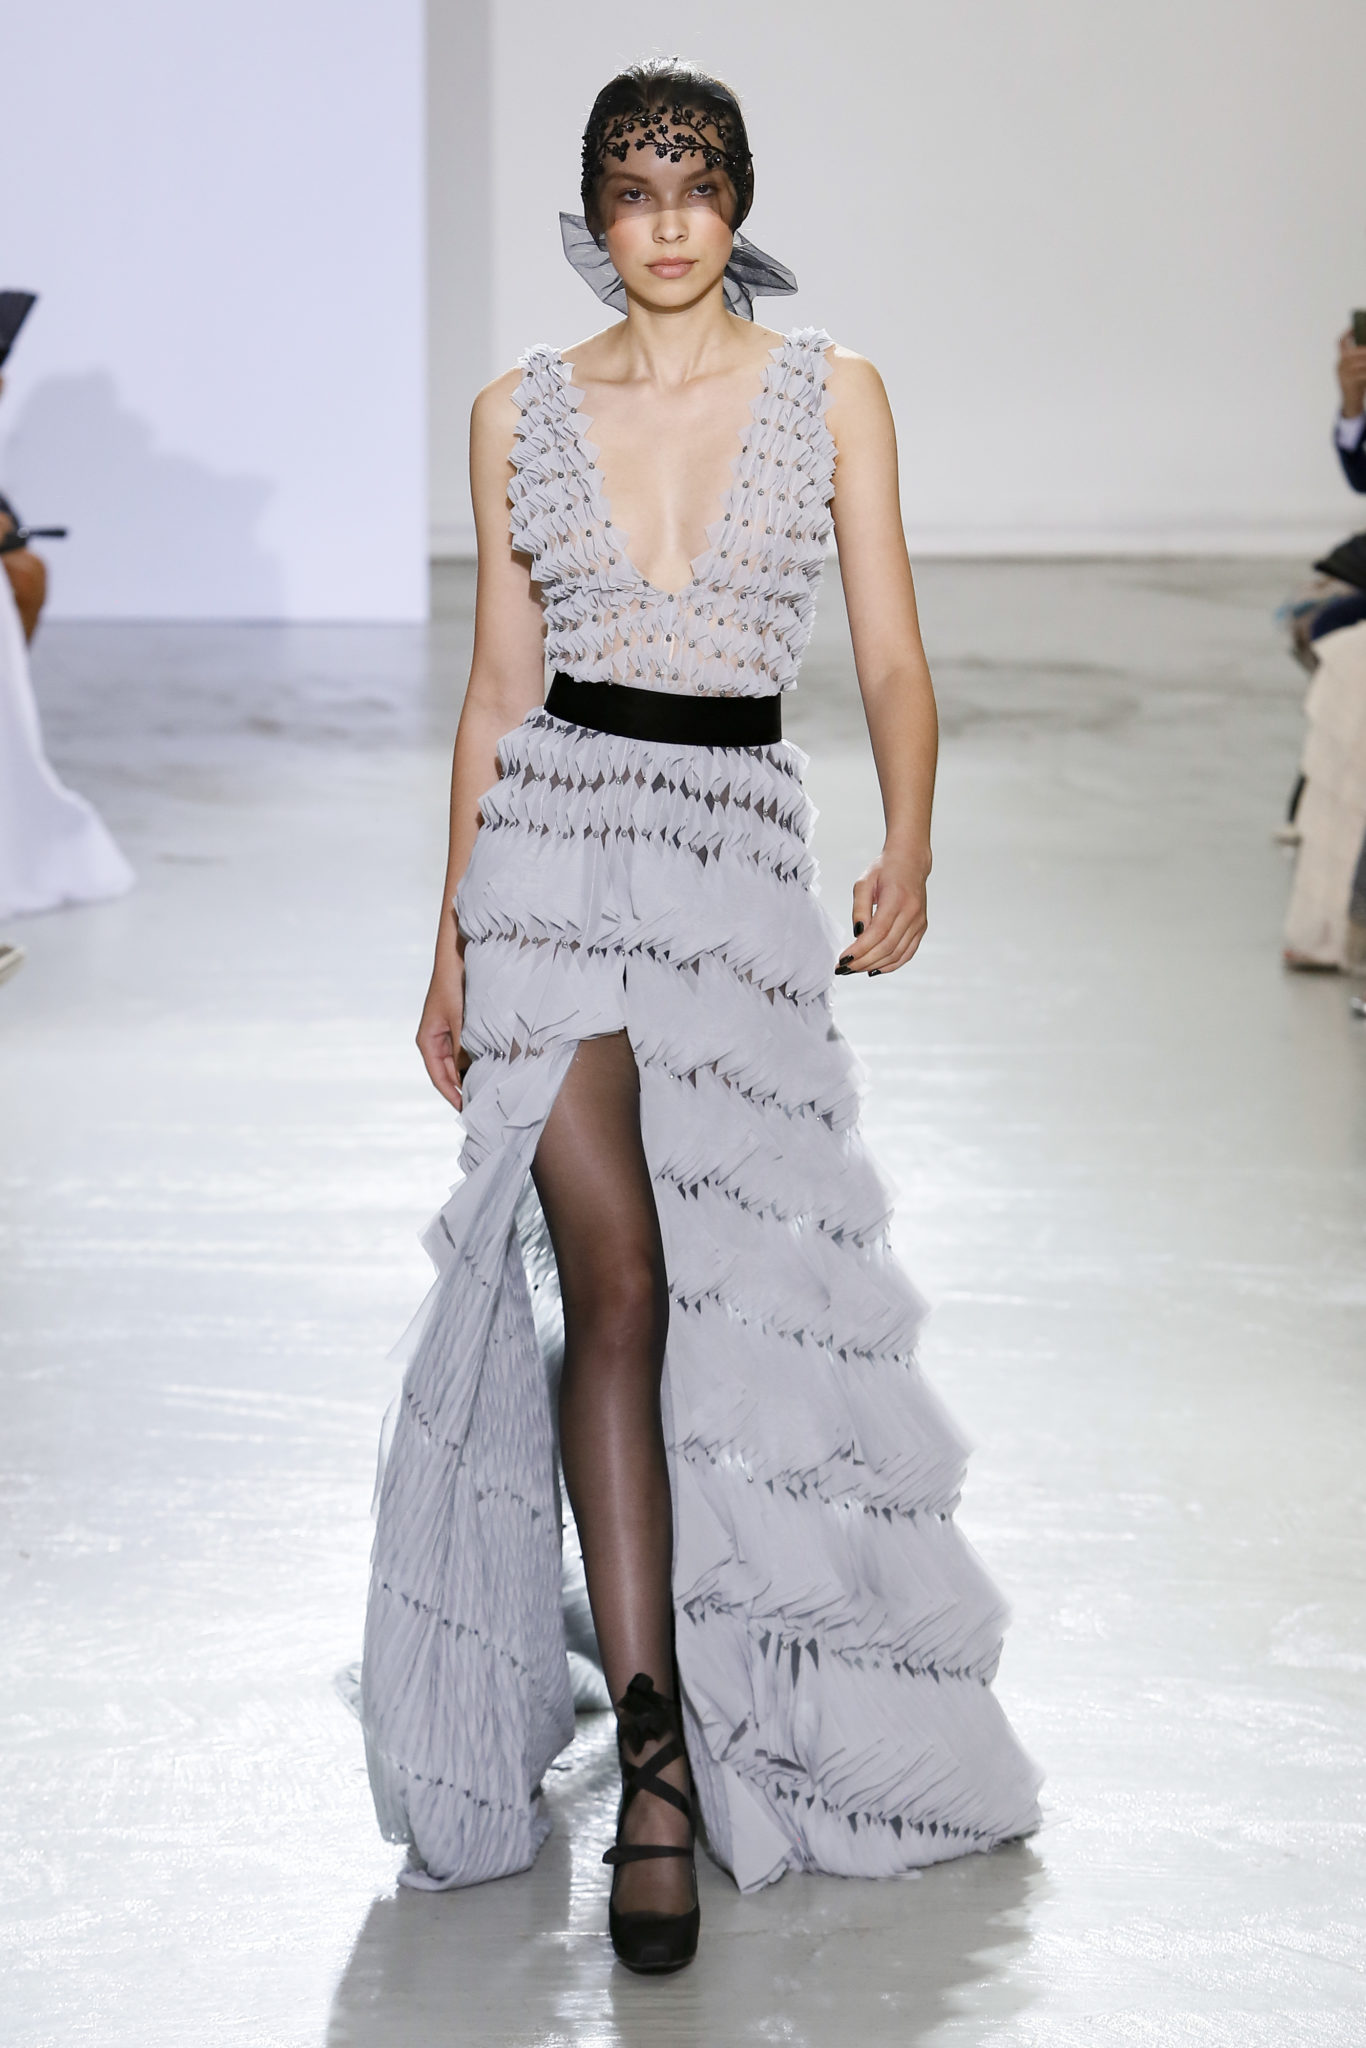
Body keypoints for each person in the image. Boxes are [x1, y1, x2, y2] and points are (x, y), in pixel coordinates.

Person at [360, 58, 1042, 1975]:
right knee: (621, 1282)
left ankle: (734, 1674)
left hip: (737, 858)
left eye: (697, 185)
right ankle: (655, 1760)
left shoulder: (833, 392)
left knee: (742, 1300)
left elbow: (890, 649)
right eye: (633, 190)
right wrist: (449, 942)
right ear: (593, 215)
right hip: (554, 851)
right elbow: (498, 696)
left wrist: (911, 837)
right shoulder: (517, 410)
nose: (666, 222)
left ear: (739, 202)